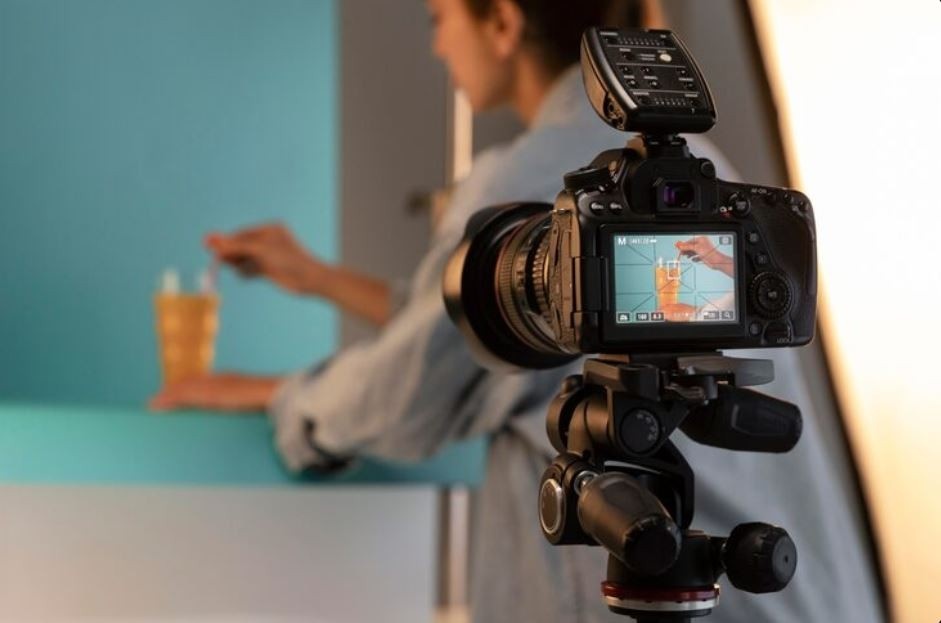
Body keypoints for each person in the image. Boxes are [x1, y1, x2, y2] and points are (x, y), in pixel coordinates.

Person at [150, 1, 883, 621]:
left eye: (440, 17)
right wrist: (320, 279)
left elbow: (406, 396)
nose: (436, 43)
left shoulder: (545, 174)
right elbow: (533, 321)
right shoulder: (687, 167)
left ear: (501, 21)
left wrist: (283, 400)